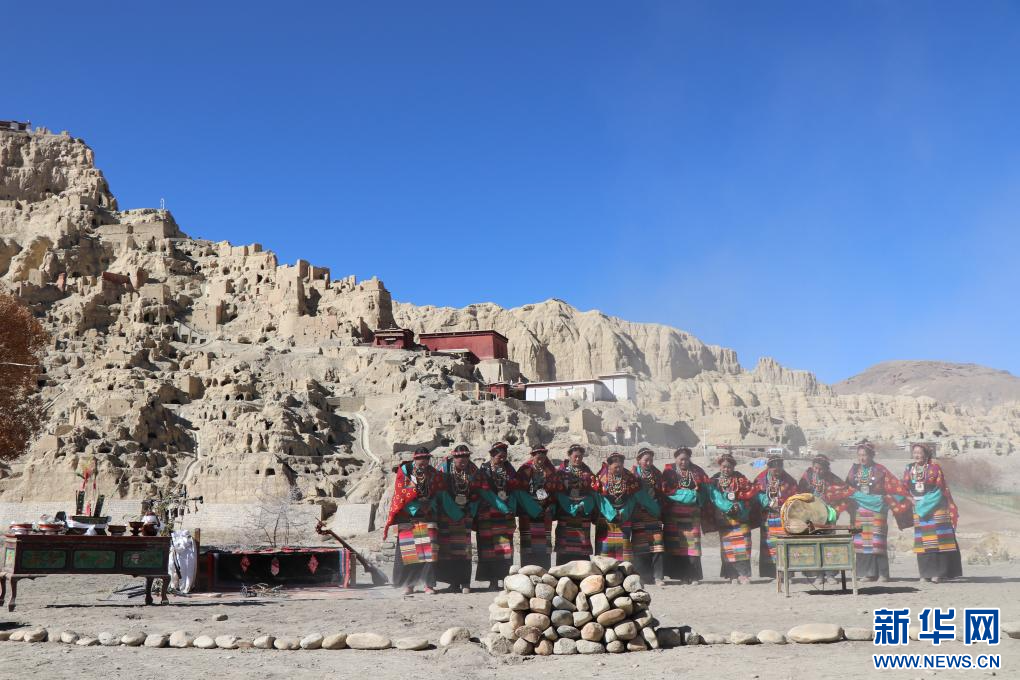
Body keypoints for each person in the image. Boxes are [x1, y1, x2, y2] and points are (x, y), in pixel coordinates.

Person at [845, 442, 911, 582]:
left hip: (877, 509)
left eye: (865, 455)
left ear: (871, 455)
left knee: (877, 541)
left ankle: (883, 574)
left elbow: (895, 486)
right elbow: (847, 488)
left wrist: (896, 498)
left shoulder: (880, 470)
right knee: (862, 542)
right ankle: (868, 573)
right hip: (860, 509)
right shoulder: (854, 470)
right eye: (859, 455)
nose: (862, 458)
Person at [383, 447, 445, 595]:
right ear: (414, 459)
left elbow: (438, 491)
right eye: (420, 458)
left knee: (429, 551)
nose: (423, 461)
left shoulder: (433, 473)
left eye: (426, 458)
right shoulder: (405, 471)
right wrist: (416, 506)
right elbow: (401, 493)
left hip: (428, 515)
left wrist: (429, 504)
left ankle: (428, 585)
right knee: (409, 552)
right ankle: (409, 585)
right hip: (408, 515)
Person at [904, 443, 963, 583]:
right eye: (915, 452)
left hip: (936, 507)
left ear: (926, 454)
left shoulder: (934, 468)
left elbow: (940, 488)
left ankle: (939, 573)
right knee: (923, 542)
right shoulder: (909, 468)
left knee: (938, 541)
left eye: (919, 452)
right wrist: (910, 499)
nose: (917, 455)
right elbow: (904, 487)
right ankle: (925, 574)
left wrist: (927, 502)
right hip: (918, 508)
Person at [797, 454, 853, 584]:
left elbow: (845, 494)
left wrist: (834, 511)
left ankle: (830, 575)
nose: (817, 471)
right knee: (814, 544)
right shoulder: (807, 477)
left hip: (828, 518)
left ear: (826, 468)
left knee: (829, 544)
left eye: (820, 469)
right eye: (815, 468)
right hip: (812, 517)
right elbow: (800, 495)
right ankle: (818, 575)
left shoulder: (833, 479)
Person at [661, 447, 710, 584]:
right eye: (681, 459)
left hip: (692, 515)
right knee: (677, 546)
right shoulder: (669, 472)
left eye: (686, 459)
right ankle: (681, 576)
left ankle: (693, 576)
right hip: (673, 516)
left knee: (692, 546)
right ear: (675, 458)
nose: (684, 462)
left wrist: (696, 494)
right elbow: (665, 490)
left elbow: (705, 489)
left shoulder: (697, 471)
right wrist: (689, 494)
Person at [436, 445, 480, 593]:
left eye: (466, 457)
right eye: (459, 457)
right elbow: (437, 488)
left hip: (465, 515)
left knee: (464, 549)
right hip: (447, 515)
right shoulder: (444, 468)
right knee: (448, 549)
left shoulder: (473, 470)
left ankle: (465, 583)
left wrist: (471, 508)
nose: (463, 460)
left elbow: (479, 490)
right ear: (453, 457)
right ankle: (453, 583)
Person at [706, 453, 757, 584]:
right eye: (724, 466)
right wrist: (726, 507)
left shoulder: (741, 479)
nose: (726, 469)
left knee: (744, 545)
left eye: (729, 467)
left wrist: (739, 505)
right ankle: (732, 575)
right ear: (720, 466)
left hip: (741, 518)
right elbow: (713, 497)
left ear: (733, 467)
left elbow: (749, 494)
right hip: (724, 518)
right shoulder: (714, 481)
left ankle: (743, 574)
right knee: (728, 548)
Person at [474, 441, 518, 589]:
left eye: (504, 456)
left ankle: (504, 579)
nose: (502, 459)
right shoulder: (484, 470)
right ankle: (492, 580)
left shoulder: (509, 469)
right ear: (492, 455)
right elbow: (482, 491)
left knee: (505, 548)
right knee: (488, 548)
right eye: (500, 456)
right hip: (487, 514)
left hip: (504, 516)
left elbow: (514, 488)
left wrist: (509, 507)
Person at [515, 444, 563, 569]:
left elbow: (555, 490)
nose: (541, 459)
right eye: (538, 457)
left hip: (544, 511)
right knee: (528, 542)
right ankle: (527, 570)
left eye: (543, 456)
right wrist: (530, 507)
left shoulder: (550, 471)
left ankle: (544, 569)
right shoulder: (524, 469)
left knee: (543, 543)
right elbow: (518, 490)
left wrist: (550, 505)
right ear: (532, 456)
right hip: (527, 511)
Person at [753, 454, 798, 579]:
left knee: (784, 544)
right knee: (769, 545)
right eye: (773, 467)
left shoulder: (789, 481)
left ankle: (786, 574)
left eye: (779, 467)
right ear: (769, 467)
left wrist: (783, 503)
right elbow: (755, 494)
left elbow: (795, 497)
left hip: (784, 517)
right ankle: (772, 574)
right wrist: (766, 502)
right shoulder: (760, 479)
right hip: (767, 517)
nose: (776, 470)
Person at [593, 452, 641, 561]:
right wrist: (611, 513)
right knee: (604, 553)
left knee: (624, 552)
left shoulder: (629, 477)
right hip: (606, 517)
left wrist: (624, 512)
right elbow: (598, 497)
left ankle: (624, 570)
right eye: (616, 467)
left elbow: (633, 497)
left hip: (624, 517)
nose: (618, 469)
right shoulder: (602, 477)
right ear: (609, 466)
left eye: (620, 466)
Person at [554, 444, 597, 563]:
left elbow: (593, 491)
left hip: (583, 512)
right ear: (569, 456)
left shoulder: (588, 472)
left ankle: (583, 568)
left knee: (582, 542)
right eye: (575, 456)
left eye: (580, 457)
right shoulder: (561, 472)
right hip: (565, 510)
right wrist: (569, 505)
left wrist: (584, 504)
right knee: (564, 542)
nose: (578, 459)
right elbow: (557, 491)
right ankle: (562, 567)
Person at [631, 448, 665, 585]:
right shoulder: (633, 475)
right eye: (646, 460)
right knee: (641, 545)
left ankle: (658, 577)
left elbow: (662, 493)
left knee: (657, 544)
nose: (649, 463)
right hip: (639, 514)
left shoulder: (657, 474)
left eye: (651, 460)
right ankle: (643, 576)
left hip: (654, 514)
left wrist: (657, 507)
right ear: (639, 460)